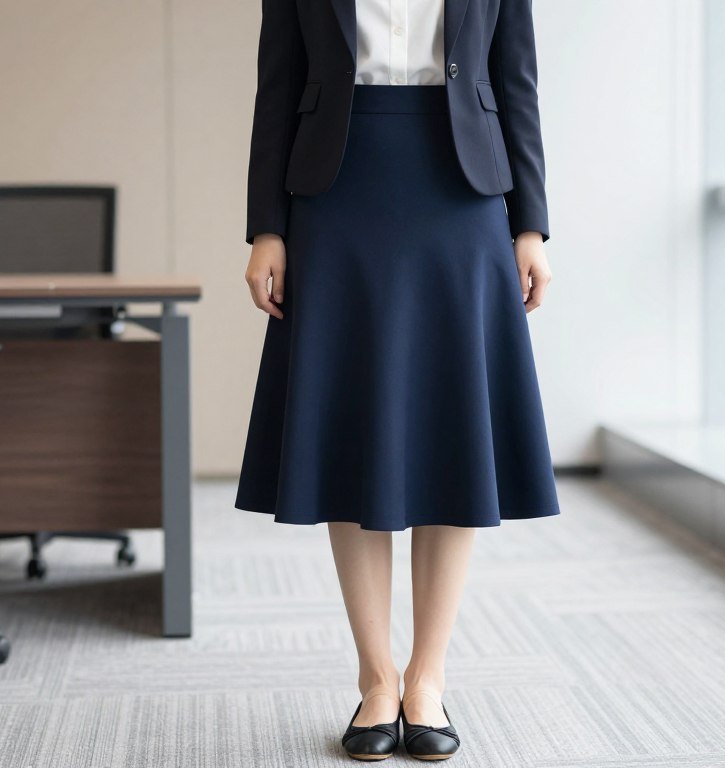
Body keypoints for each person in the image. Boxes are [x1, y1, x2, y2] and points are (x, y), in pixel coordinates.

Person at [235, 0, 559, 760]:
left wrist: (531, 225)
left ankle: (428, 679)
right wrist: (267, 228)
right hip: (337, 191)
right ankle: (377, 678)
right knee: (354, 431)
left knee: (453, 432)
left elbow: (516, 81)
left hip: (463, 191)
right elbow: (276, 87)